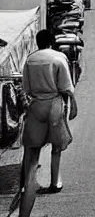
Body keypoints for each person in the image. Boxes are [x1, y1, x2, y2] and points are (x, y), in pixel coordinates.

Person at [19, 29, 78, 217]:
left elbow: (26, 88)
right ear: (52, 42)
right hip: (54, 105)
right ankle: (55, 181)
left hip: (36, 106)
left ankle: (27, 197)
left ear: (37, 43)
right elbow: (67, 88)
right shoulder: (59, 58)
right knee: (56, 146)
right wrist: (73, 105)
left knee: (32, 157)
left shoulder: (30, 60)